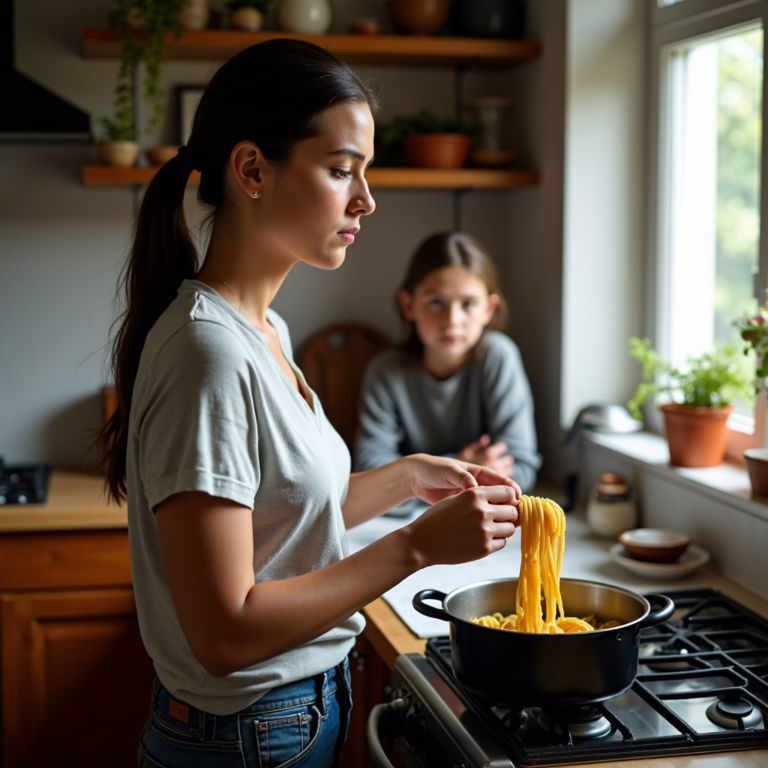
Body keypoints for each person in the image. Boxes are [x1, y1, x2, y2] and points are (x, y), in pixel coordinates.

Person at [93, 40, 520, 768]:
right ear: (252, 170)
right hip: (246, 736)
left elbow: (281, 521)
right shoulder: (210, 354)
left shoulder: (263, 330)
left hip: (287, 720)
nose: (366, 200)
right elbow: (224, 634)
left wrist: (408, 476)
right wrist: (413, 547)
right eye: (341, 169)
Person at [354, 231, 541, 516]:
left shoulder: (498, 357)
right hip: (412, 522)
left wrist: (415, 482)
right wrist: (460, 466)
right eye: (436, 302)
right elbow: (369, 473)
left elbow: (521, 469)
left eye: (468, 304)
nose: (452, 320)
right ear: (408, 305)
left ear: (489, 309)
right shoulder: (385, 372)